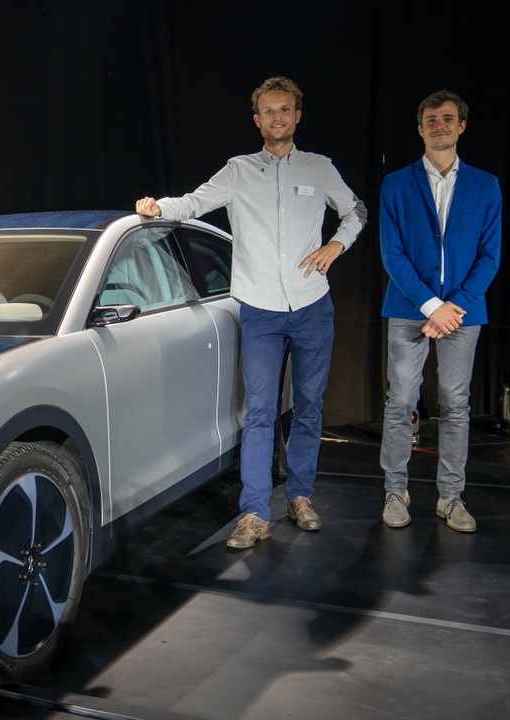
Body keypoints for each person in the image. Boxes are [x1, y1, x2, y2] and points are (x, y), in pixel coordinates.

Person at [135, 76, 366, 550]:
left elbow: (356, 211)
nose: (277, 117)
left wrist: (336, 245)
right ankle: (256, 512)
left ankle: (300, 497)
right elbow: (194, 203)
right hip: (260, 310)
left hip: (311, 305)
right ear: (257, 119)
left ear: (297, 116)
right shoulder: (238, 170)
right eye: (269, 111)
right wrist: (157, 207)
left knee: (308, 408)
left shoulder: (320, 167)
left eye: (285, 109)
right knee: (260, 412)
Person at [378, 90, 501, 533]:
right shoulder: (395, 184)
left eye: (448, 118)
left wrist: (455, 307)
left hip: (464, 314)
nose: (439, 126)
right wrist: (432, 306)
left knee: (455, 403)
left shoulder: (486, 185)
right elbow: (392, 254)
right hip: (410, 308)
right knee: (400, 401)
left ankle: (450, 496)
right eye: (431, 119)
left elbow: (489, 256)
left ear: (461, 126)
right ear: (420, 129)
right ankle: (395, 490)